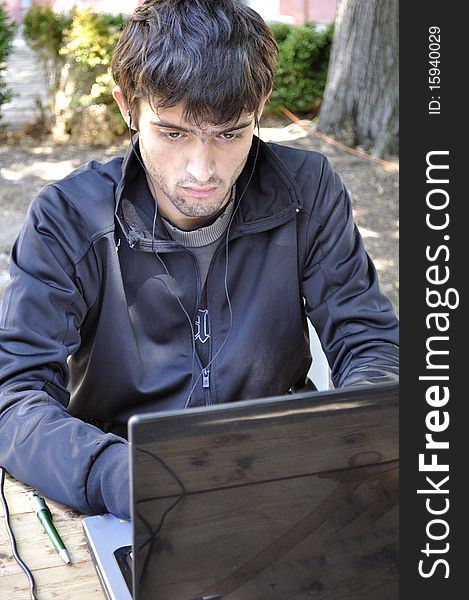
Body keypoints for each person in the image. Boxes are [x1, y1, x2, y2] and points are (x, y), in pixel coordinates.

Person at [0, 0, 398, 520]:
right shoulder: (68, 215)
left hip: (284, 475)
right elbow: (16, 393)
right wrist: (120, 475)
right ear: (128, 106)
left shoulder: (310, 189)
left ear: (260, 108)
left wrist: (342, 437)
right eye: (173, 132)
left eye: (231, 134)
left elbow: (369, 342)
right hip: (125, 489)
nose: (203, 170)